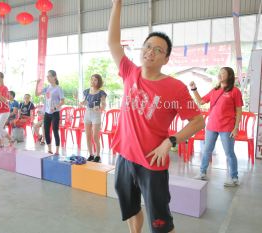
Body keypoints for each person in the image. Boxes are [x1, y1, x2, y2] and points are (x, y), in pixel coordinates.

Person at [108, 1, 205, 233]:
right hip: (125, 158)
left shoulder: (175, 88)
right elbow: (112, 42)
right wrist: (117, 5)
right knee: (130, 209)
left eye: (158, 50)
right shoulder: (130, 72)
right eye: (148, 46)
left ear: (166, 59)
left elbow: (198, 120)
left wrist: (170, 142)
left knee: (160, 222)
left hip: (152, 163)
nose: (150, 51)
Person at [190, 67, 243, 187]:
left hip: (227, 127)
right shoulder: (214, 90)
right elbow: (201, 101)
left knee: (229, 152)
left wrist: (236, 128)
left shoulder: (235, 91)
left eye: (223, 73)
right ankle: (202, 172)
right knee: (207, 150)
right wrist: (194, 89)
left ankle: (234, 178)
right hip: (212, 125)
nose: (219, 75)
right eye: (219, 73)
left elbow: (239, 111)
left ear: (229, 76)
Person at [35, 70, 65, 155]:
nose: (47, 78)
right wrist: (37, 84)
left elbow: (62, 101)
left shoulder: (58, 88)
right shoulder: (47, 88)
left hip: (55, 112)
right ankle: (49, 149)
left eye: (49, 76)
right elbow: (37, 94)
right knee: (47, 130)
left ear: (54, 77)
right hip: (47, 113)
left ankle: (57, 150)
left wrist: (55, 107)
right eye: (47, 76)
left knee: (55, 130)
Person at [80, 74, 107, 163]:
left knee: (95, 137)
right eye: (92, 79)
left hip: (96, 114)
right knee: (88, 136)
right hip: (87, 113)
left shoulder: (101, 92)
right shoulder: (86, 91)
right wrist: (81, 102)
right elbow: (84, 102)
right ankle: (91, 154)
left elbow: (104, 104)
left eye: (95, 80)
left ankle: (97, 155)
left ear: (99, 81)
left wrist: (100, 108)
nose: (93, 81)